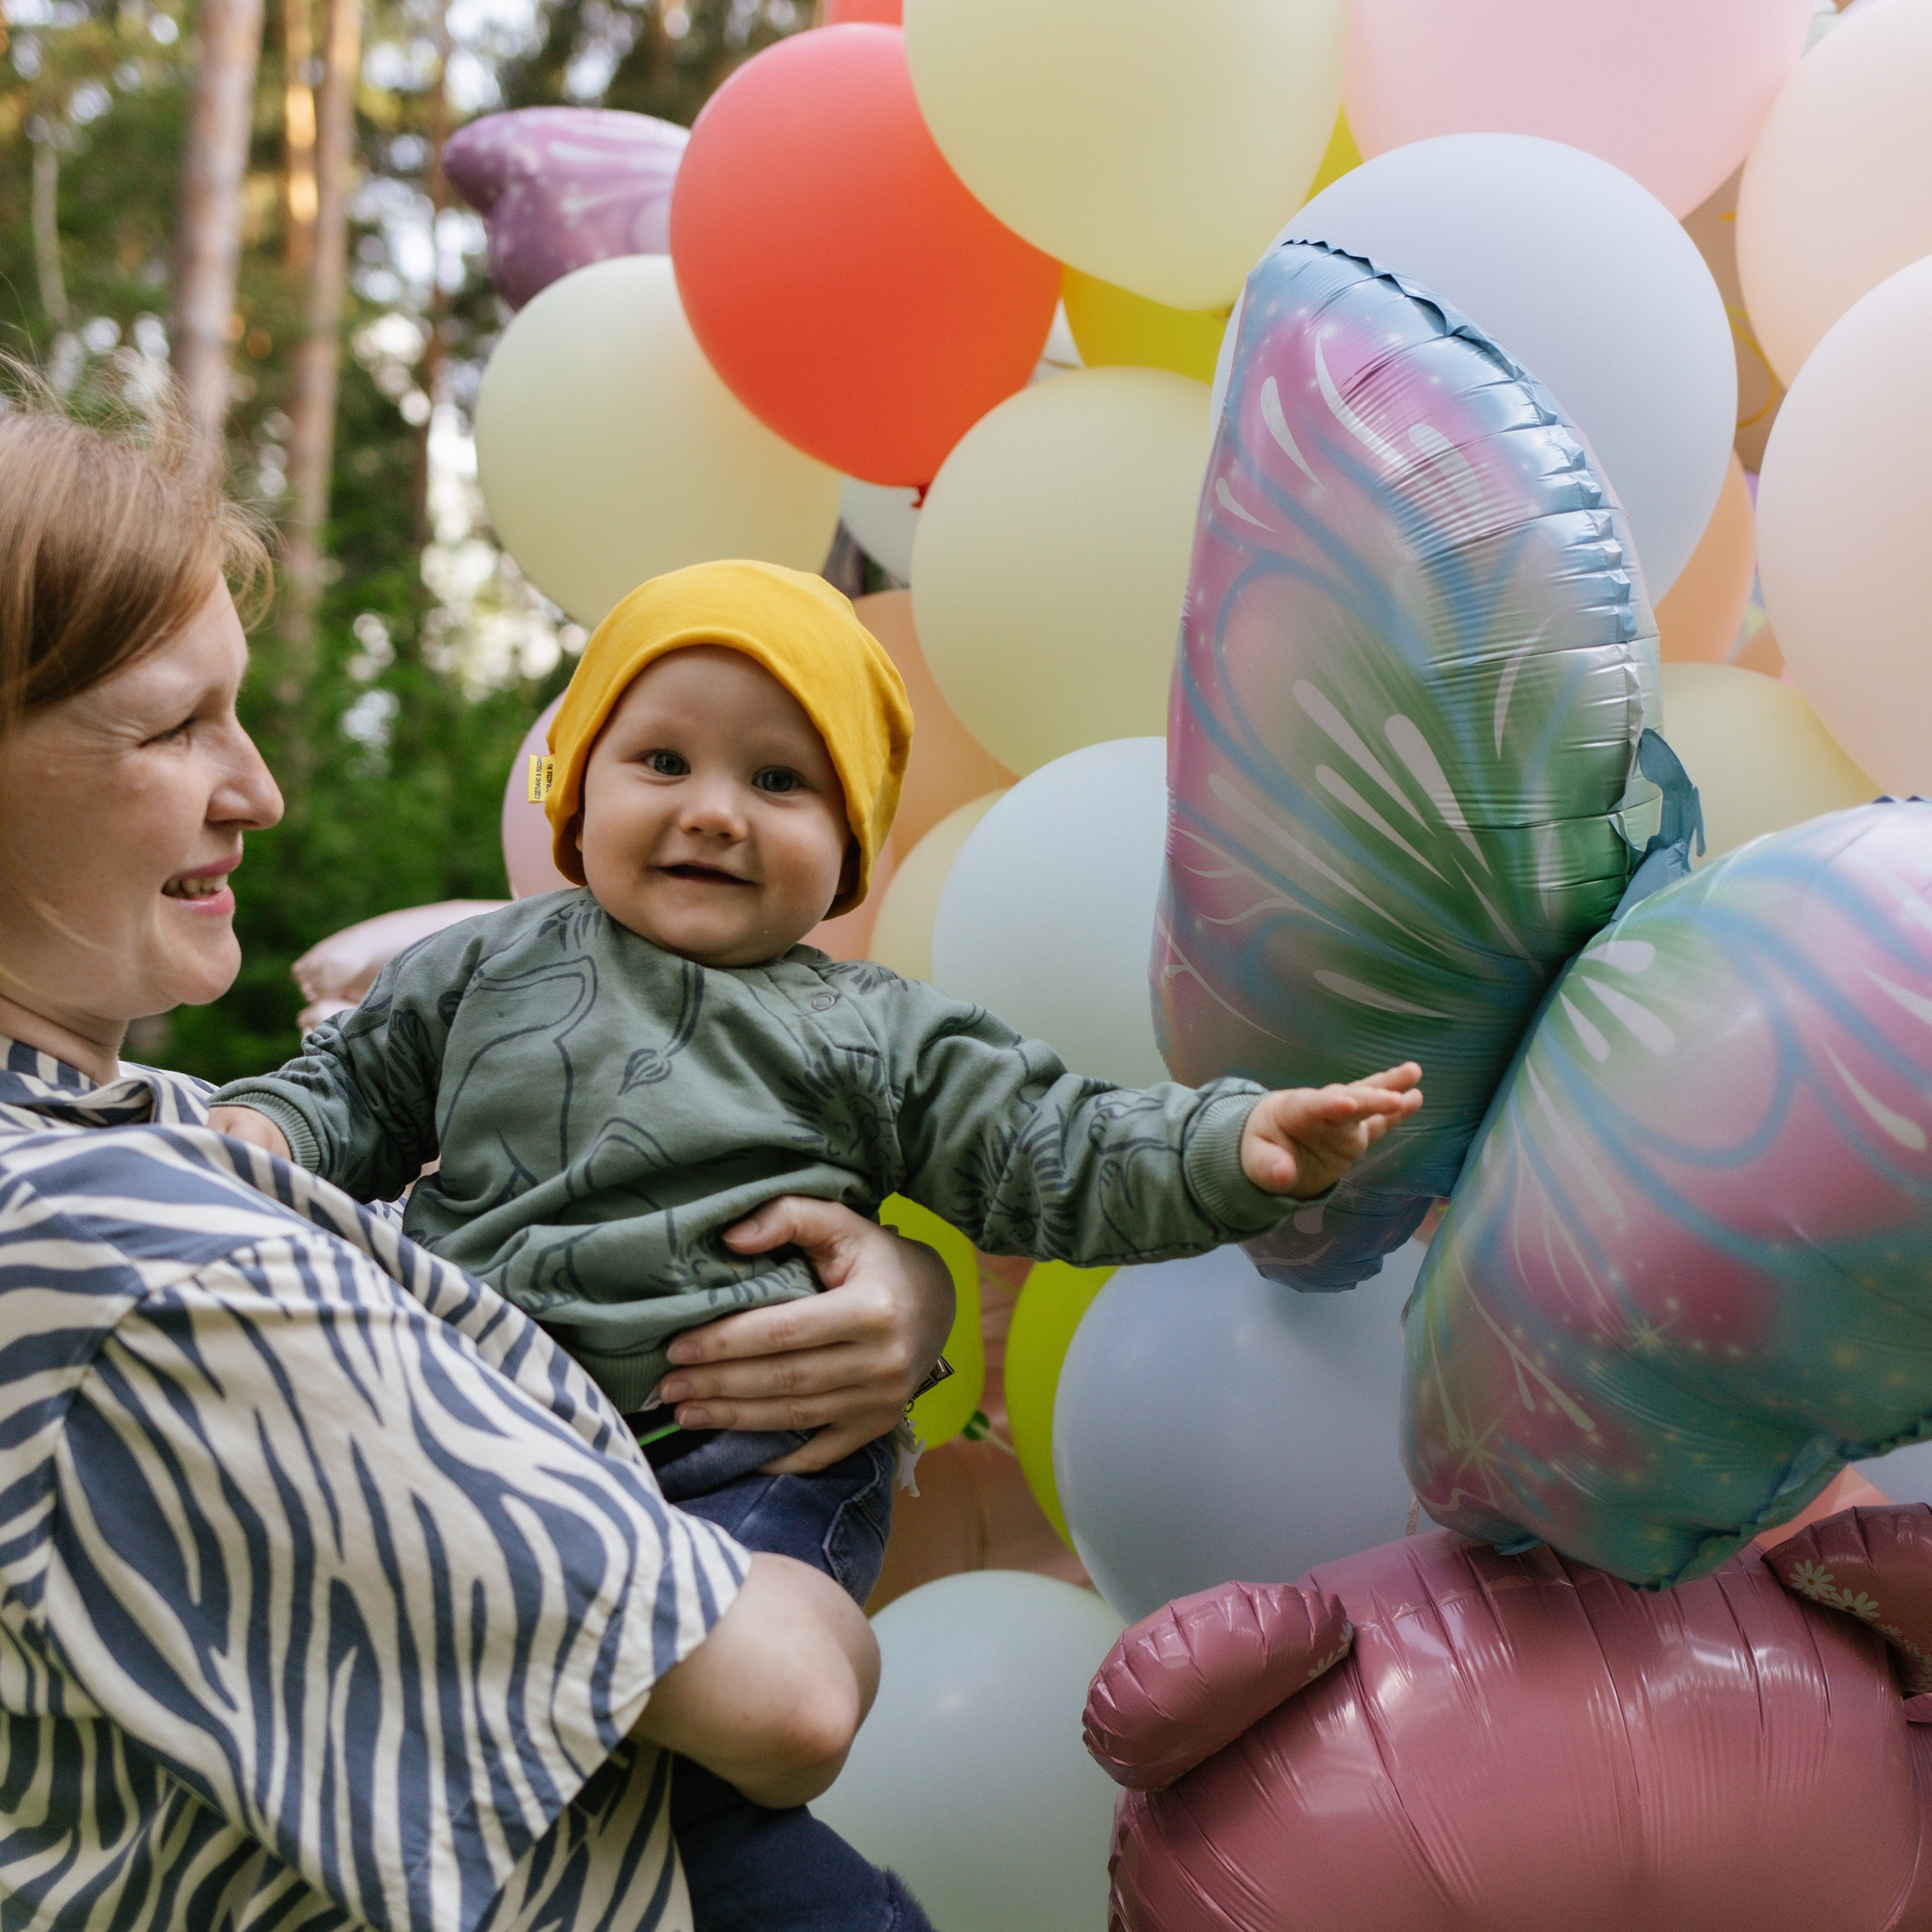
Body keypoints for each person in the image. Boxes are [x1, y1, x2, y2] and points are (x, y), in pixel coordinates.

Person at [208, 560, 1425, 1926]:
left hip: (752, 1458)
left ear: (849, 847)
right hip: (508, 1439)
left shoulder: (872, 1029)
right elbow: (351, 1093)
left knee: (714, 1770)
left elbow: (1051, 1142)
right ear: (576, 789)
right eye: (663, 760)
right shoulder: (481, 968)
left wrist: (1229, 1145)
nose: (716, 813)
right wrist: (261, 1136)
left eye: (781, 784)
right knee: (541, 1775)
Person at [0, 383, 955, 1930]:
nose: (259, 790)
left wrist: (894, 1297)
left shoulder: (132, 1146)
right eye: (177, 722)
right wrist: (809, 1590)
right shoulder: (126, 1254)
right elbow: (778, 1695)